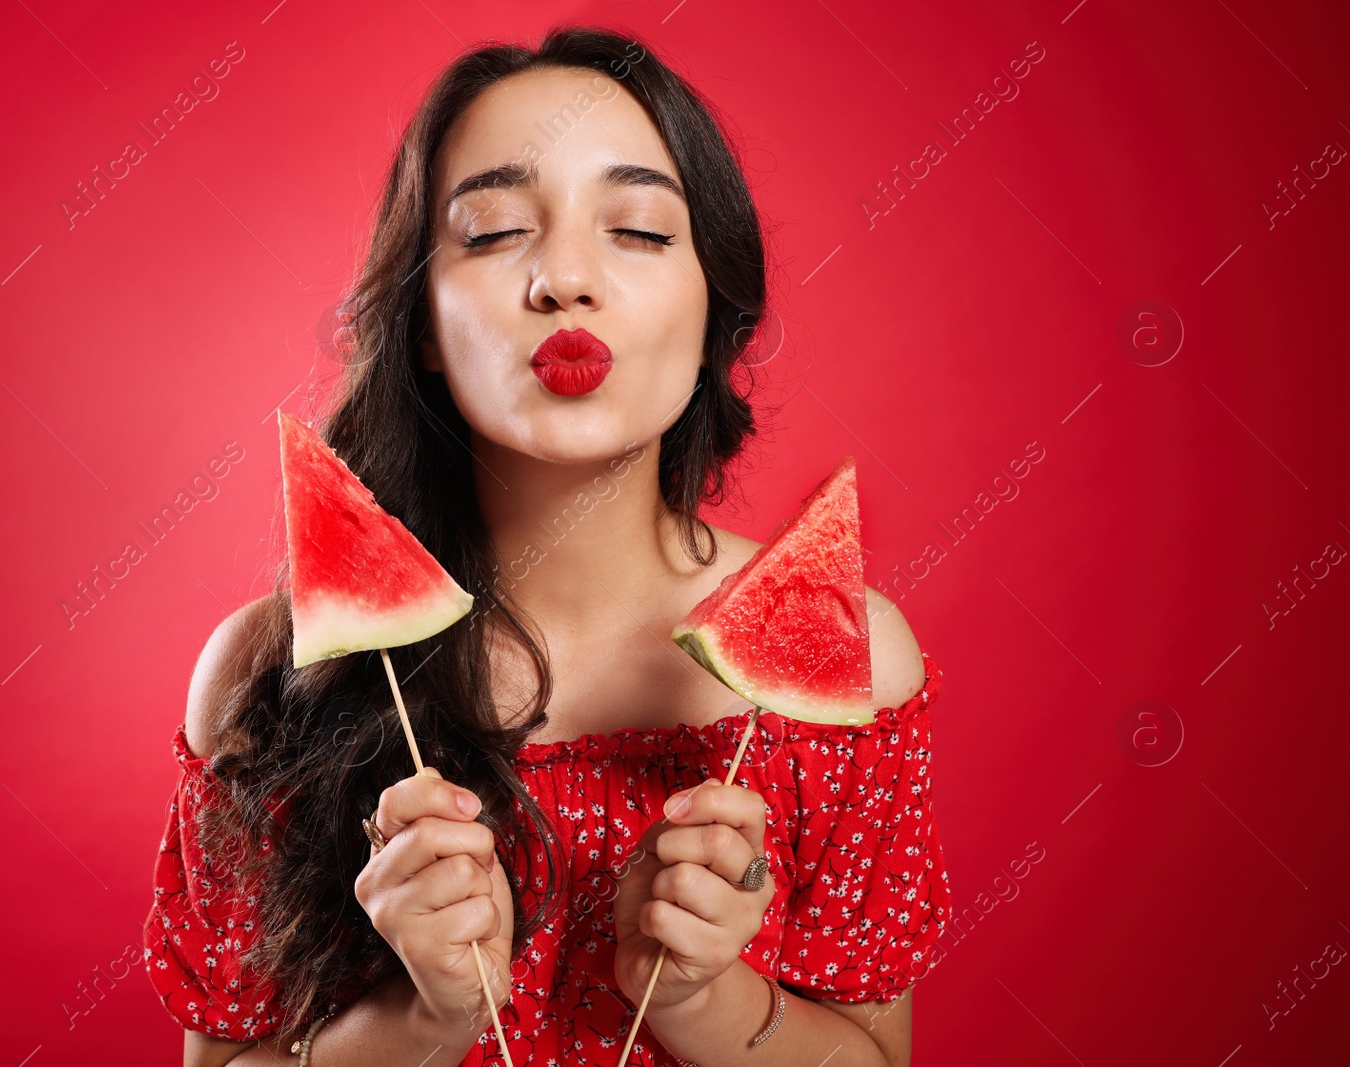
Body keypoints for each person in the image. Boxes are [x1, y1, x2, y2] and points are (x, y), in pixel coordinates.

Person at [144, 25, 949, 1067]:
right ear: (422, 324)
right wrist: (424, 1019)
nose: (565, 279)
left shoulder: (854, 662)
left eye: (641, 231)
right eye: (491, 233)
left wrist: (702, 995)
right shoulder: (271, 669)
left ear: (715, 311)